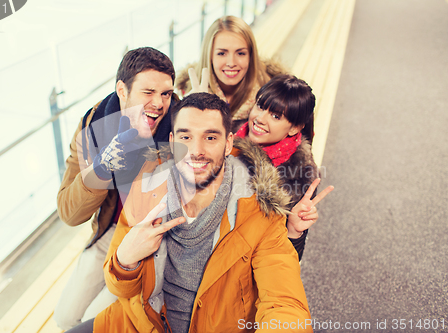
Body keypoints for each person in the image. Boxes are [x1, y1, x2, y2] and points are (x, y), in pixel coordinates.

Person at [66, 93, 313, 333]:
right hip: (141, 322)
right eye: (186, 137)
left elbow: (285, 302)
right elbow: (119, 288)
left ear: (228, 144)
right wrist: (124, 261)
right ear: (172, 142)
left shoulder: (260, 210)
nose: (196, 151)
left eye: (210, 138)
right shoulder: (146, 188)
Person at [54, 47, 177, 330]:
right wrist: (100, 169)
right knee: (63, 318)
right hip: (111, 229)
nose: (159, 104)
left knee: (95, 323)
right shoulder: (93, 125)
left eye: (166, 93)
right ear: (122, 90)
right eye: (148, 92)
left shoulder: (179, 125)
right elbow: (68, 213)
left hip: (151, 241)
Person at [233, 74, 334, 260]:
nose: (260, 118)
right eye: (260, 106)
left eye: (275, 116)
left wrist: (294, 232)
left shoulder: (302, 176)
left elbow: (287, 260)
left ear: (295, 128)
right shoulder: (227, 133)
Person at [176, 15, 287, 132]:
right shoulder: (188, 93)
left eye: (240, 53)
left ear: (251, 56)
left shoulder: (277, 96)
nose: (231, 63)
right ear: (209, 56)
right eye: (222, 53)